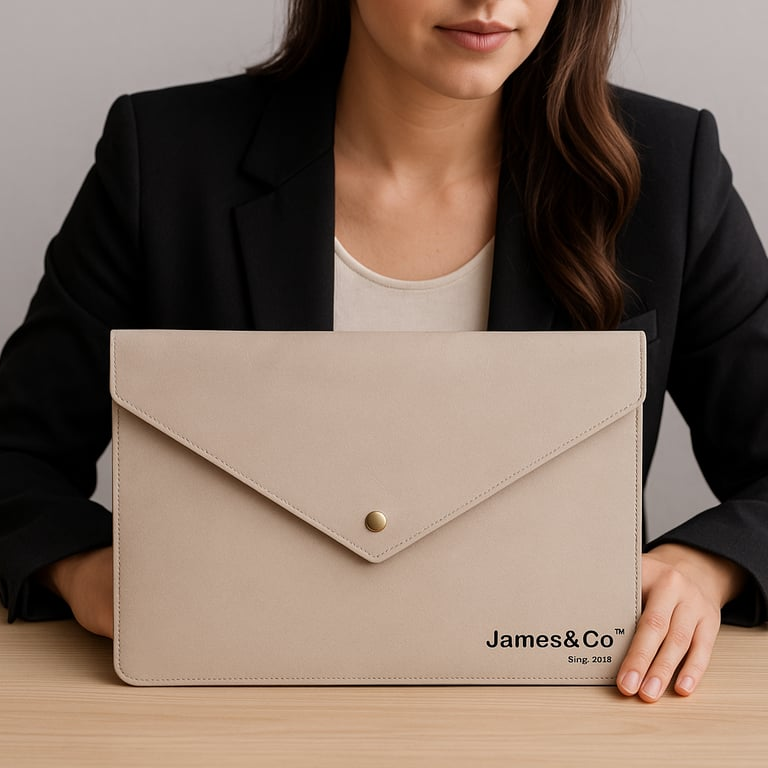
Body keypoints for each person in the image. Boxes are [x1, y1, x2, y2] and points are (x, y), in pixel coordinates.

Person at [0, 0, 766, 703]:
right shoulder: (165, 157)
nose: (490, 2)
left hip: (564, 711)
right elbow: (16, 453)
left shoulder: (670, 168)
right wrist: (83, 570)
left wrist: (707, 566)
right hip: (230, 704)